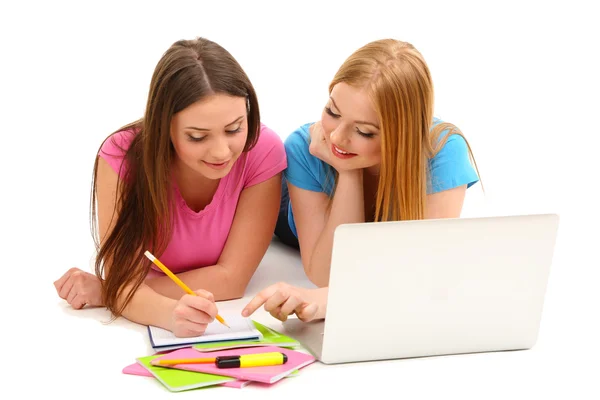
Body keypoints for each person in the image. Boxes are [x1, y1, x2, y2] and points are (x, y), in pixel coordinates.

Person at [54, 37, 287, 337]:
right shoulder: (120, 157)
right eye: (197, 136)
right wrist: (164, 312)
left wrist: (111, 291)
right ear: (163, 127)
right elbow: (123, 278)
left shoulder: (263, 149)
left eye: (234, 129)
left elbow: (232, 279)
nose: (221, 152)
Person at [243, 38, 481, 323]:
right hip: (289, 215)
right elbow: (327, 274)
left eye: (365, 132)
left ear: (401, 136)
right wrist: (348, 171)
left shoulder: (442, 150)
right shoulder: (305, 148)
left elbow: (422, 266)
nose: (336, 137)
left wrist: (326, 302)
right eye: (332, 112)